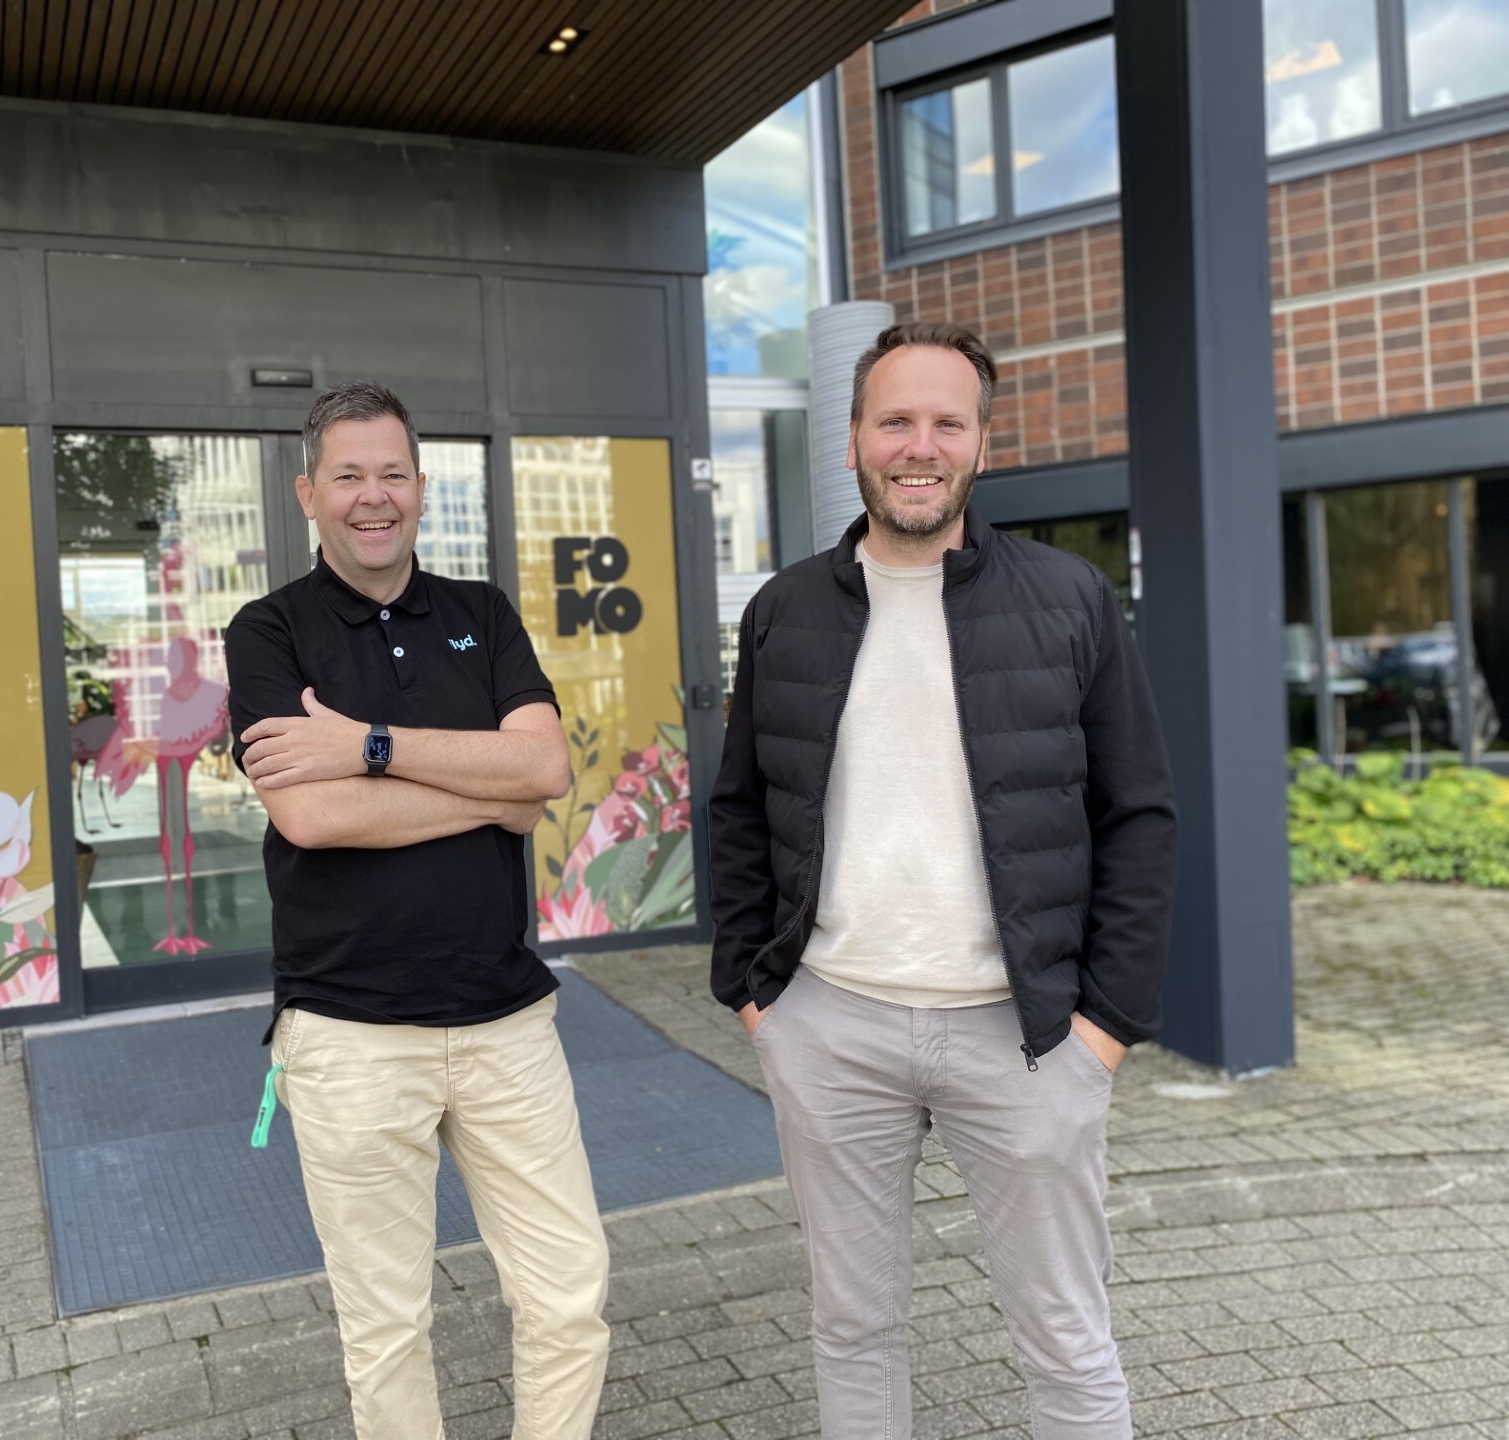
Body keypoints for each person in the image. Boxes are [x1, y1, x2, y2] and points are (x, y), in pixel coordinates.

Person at [709, 322, 1177, 1439]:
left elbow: (1140, 817)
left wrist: (1104, 1030)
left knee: (1065, 1335)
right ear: (854, 440)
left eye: (945, 423)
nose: (919, 446)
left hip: (1027, 1038)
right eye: (895, 421)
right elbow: (738, 809)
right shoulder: (783, 610)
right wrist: (755, 995)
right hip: (830, 1024)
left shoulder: (1069, 599)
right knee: (852, 1328)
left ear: (980, 443)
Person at [224, 381, 610, 1440]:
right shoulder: (268, 631)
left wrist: (365, 746)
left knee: (569, 1295)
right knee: (387, 1330)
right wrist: (490, 790)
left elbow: (545, 770)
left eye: (392, 473)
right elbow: (311, 817)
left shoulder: (481, 614)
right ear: (309, 492)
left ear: (422, 488)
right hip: (349, 1032)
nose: (373, 496)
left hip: (507, 1023)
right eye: (348, 475)